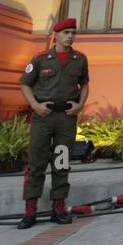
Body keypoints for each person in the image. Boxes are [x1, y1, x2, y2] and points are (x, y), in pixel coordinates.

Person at [18, 17, 89, 229]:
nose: (70, 36)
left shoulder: (80, 59)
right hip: (43, 115)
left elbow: (84, 84)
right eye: (66, 33)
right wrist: (35, 106)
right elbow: (25, 84)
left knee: (61, 161)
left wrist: (80, 104)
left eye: (73, 33)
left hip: (66, 117)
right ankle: (30, 211)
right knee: (37, 162)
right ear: (55, 35)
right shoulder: (41, 59)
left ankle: (59, 207)